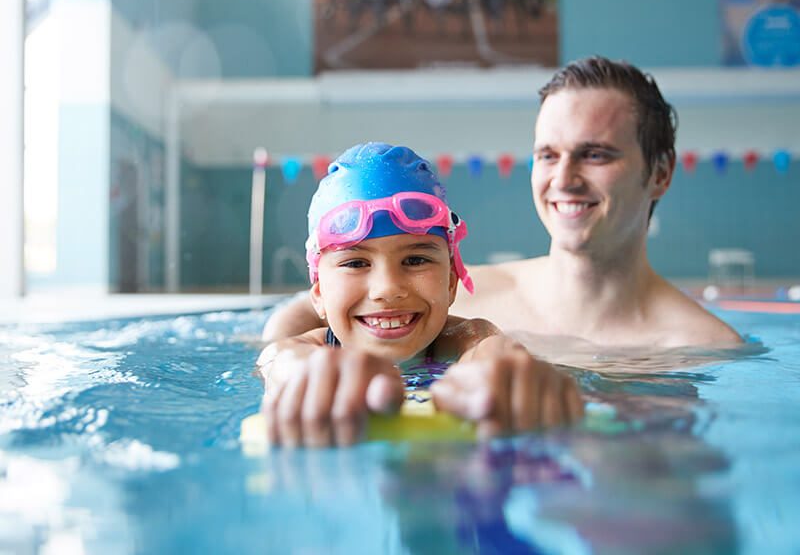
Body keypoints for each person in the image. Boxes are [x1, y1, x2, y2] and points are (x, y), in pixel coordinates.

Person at [262, 57, 741, 352]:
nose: (564, 178)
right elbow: (309, 310)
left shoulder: (702, 345)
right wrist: (283, 359)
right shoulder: (463, 290)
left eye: (595, 155)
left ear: (661, 172)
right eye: (547, 155)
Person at [258, 142, 583, 447]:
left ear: (452, 282)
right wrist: (305, 374)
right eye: (356, 262)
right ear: (318, 295)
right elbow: (280, 359)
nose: (387, 288)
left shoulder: (464, 339)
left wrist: (505, 374)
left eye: (415, 260)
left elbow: (490, 352)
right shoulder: (304, 348)